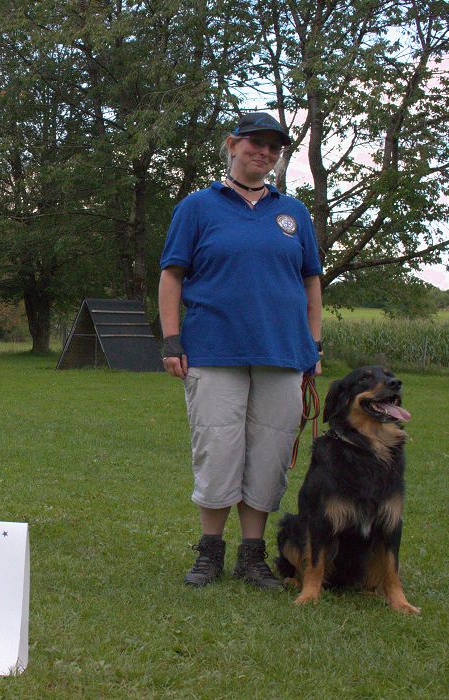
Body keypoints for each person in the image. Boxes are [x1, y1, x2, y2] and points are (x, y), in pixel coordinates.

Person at [158, 112, 323, 589]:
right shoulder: (197, 207)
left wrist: (313, 344)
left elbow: (310, 281)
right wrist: (172, 340)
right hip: (213, 351)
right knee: (218, 448)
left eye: (274, 148)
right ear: (232, 144)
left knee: (269, 452)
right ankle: (210, 552)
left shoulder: (294, 214)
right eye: (255, 143)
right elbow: (172, 275)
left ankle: (253, 556)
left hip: (283, 353)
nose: (264, 153)